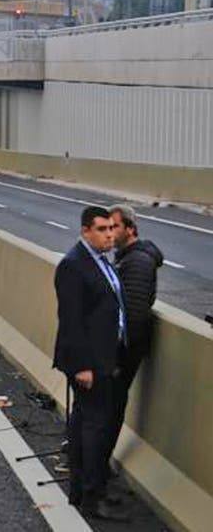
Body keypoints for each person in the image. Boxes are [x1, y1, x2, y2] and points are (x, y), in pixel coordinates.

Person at [54, 206, 130, 522]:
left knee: (86, 424)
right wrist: (83, 365)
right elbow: (71, 321)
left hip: (105, 358)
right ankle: (90, 496)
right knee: (94, 430)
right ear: (86, 230)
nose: (110, 234)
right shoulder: (74, 265)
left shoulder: (101, 262)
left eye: (112, 228)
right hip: (89, 363)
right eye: (102, 229)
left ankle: (81, 491)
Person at [107, 204, 162, 492]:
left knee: (112, 405)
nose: (109, 232)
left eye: (114, 227)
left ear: (130, 228)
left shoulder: (137, 263)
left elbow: (135, 316)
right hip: (121, 349)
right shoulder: (125, 258)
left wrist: (117, 357)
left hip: (124, 353)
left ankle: (100, 469)